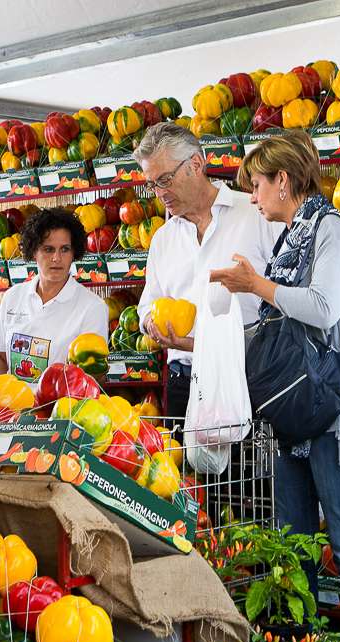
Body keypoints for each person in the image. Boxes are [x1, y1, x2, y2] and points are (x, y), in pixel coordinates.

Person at [210, 130, 340, 642]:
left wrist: (257, 285)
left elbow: (324, 308)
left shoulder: (331, 229)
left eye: (259, 186)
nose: (255, 198)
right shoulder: (291, 235)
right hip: (292, 412)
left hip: (332, 413)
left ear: (283, 181)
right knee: (295, 544)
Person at [133, 123, 283, 420]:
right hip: (184, 380)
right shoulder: (163, 239)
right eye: (152, 184)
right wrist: (151, 323)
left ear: (196, 164)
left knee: (249, 466)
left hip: (246, 374)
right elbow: (147, 306)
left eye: (165, 179)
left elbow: (286, 294)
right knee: (186, 467)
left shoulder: (256, 215)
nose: (160, 193)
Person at [0, 208, 108, 381]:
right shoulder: (13, 297)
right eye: (48, 249)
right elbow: (2, 361)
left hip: (62, 406)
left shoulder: (92, 307)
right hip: (13, 404)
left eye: (65, 249)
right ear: (33, 252)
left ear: (74, 253)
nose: (56, 258)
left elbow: (93, 376)